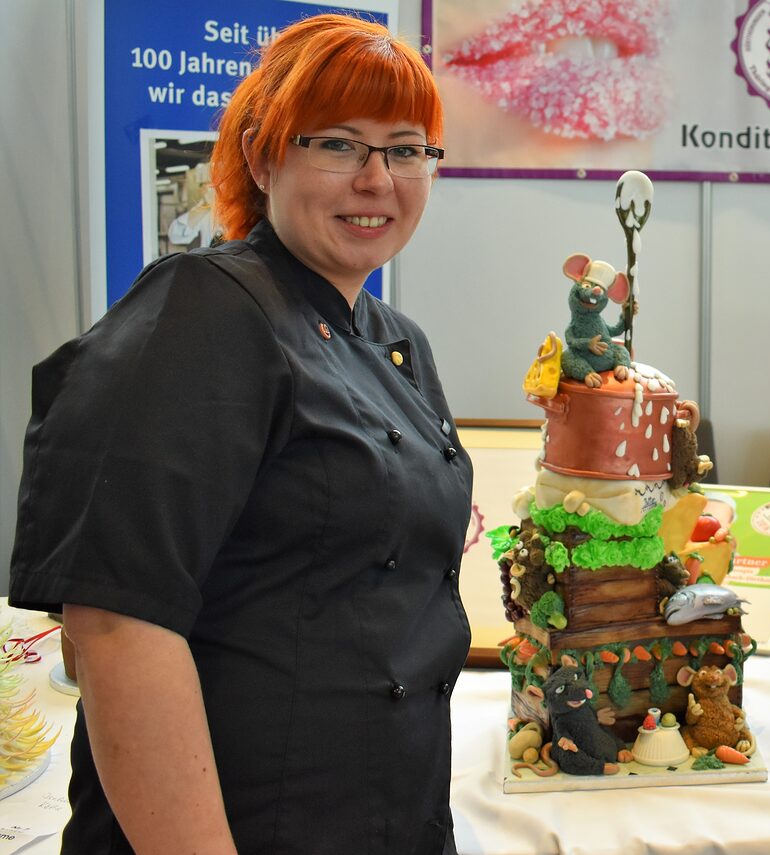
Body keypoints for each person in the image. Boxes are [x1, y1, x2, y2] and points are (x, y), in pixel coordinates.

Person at [8, 15, 473, 854]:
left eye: (406, 149)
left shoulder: (397, 338)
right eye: (338, 144)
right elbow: (116, 624)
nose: (378, 179)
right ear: (261, 157)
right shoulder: (202, 312)